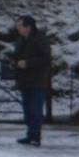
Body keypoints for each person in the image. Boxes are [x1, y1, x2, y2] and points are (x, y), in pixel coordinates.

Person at [11, 15, 52, 146]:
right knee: (28, 110)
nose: (17, 28)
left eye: (20, 26)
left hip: (37, 81)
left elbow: (46, 58)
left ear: (28, 27)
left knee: (35, 110)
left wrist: (28, 63)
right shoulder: (20, 40)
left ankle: (35, 137)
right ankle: (30, 135)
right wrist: (14, 62)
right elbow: (16, 56)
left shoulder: (40, 39)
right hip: (24, 80)